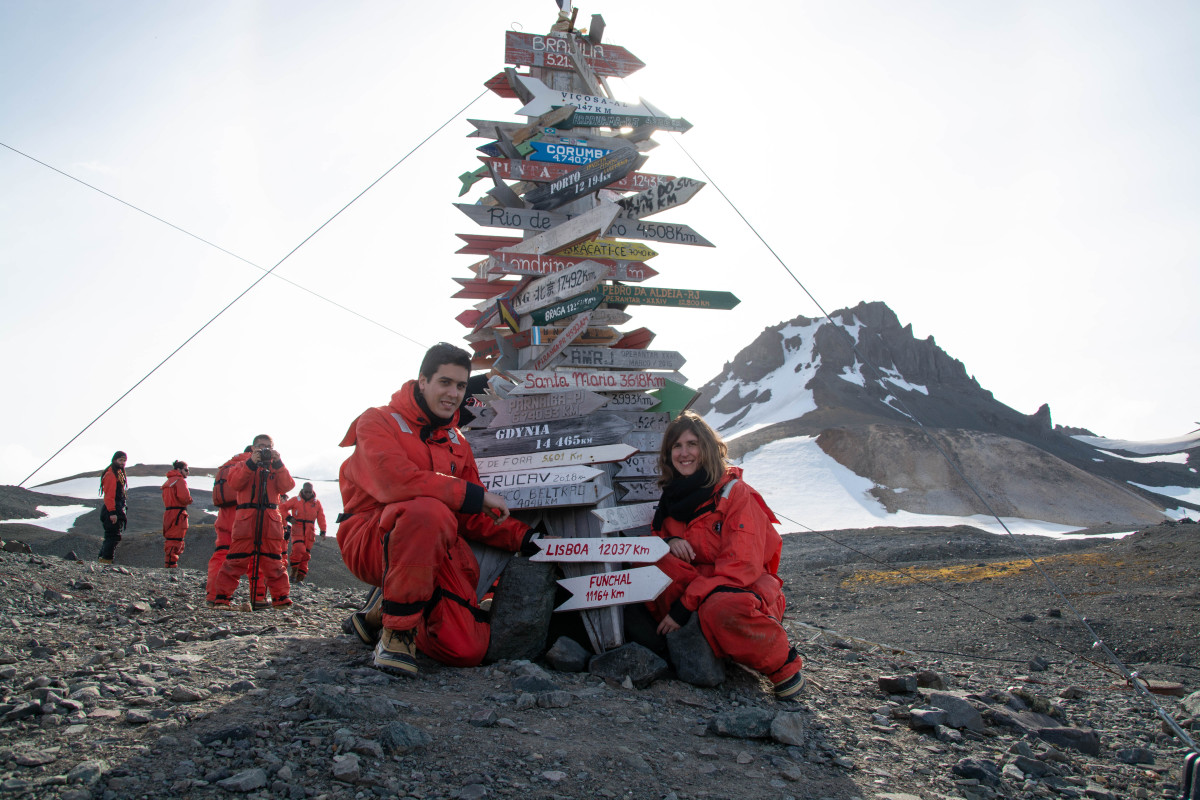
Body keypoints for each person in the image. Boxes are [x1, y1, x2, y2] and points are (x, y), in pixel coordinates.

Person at [336, 342, 538, 676]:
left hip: (433, 546)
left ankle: (381, 612)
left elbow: (474, 518)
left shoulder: (458, 441)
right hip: (371, 540)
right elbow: (393, 482)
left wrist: (526, 537)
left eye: (461, 385)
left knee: (465, 649)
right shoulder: (377, 421)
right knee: (428, 511)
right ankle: (396, 634)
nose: (454, 393)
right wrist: (472, 495)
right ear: (422, 381)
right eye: (445, 382)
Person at [646, 411, 806, 701]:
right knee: (651, 565)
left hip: (744, 588)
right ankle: (699, 649)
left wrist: (686, 603)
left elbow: (740, 568)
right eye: (677, 446)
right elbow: (655, 539)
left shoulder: (735, 494)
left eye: (692, 444)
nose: (684, 453)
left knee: (720, 608)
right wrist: (668, 541)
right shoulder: (672, 499)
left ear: (707, 448)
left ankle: (783, 664)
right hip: (703, 583)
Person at [210, 435, 296, 610]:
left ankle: (281, 599)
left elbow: (287, 486)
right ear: (253, 448)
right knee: (235, 560)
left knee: (274, 561)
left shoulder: (275, 467)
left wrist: (279, 464)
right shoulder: (242, 465)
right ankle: (221, 599)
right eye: (260, 447)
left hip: (270, 520)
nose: (264, 450)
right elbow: (234, 483)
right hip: (246, 519)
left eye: (268, 447)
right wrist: (250, 464)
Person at [206, 446, 252, 603]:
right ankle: (257, 598)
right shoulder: (249, 464)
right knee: (252, 557)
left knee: (221, 554)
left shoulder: (225, 467)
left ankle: (214, 596)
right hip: (243, 514)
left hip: (224, 516)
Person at [282, 482, 327, 582]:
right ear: (302, 490)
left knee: (306, 554)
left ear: (312, 491)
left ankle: (300, 576)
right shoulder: (295, 500)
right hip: (297, 527)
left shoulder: (316, 503)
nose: (307, 494)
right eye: (306, 491)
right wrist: (289, 517)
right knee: (298, 548)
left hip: (310, 530)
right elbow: (282, 508)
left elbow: (321, 517)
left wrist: (323, 530)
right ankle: (294, 571)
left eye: (309, 492)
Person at [160, 460, 193, 568]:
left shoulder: (168, 482)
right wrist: (189, 500)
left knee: (170, 537)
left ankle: (168, 562)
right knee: (176, 538)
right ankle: (172, 564)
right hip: (178, 513)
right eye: (186, 470)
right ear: (179, 470)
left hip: (168, 512)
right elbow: (184, 498)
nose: (188, 472)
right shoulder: (180, 481)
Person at [97, 451, 128, 564]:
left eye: (124, 461)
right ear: (114, 460)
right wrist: (112, 512)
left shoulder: (117, 473)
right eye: (120, 460)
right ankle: (106, 560)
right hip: (112, 509)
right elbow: (109, 495)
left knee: (112, 536)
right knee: (113, 536)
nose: (122, 463)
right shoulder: (111, 475)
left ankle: (103, 559)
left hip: (115, 508)